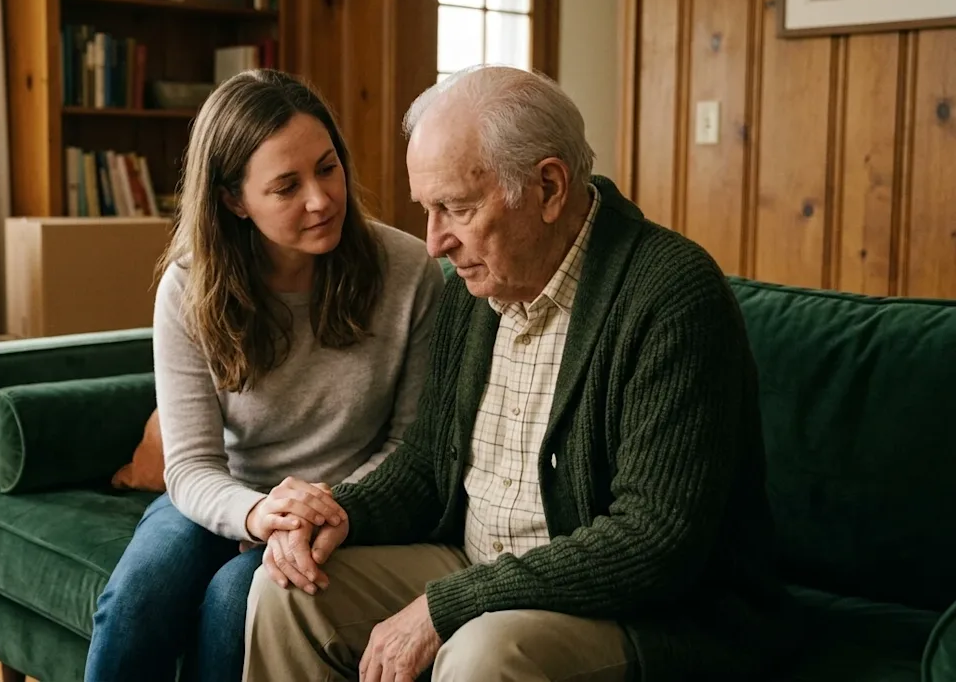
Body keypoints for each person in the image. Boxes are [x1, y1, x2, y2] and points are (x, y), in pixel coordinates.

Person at [241, 65, 796, 682]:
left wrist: (447, 606)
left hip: (646, 610)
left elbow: (653, 540)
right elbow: (429, 465)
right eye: (426, 209)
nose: (433, 243)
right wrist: (338, 512)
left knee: (483, 654)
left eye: (455, 208)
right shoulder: (475, 289)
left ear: (550, 188)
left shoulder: (672, 295)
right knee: (289, 592)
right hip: (478, 564)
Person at [82, 69, 445, 682]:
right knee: (138, 596)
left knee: (235, 600)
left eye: (328, 168)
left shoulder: (408, 272)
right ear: (233, 200)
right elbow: (191, 466)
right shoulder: (189, 287)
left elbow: (410, 446)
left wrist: (317, 511)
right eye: (286, 186)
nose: (321, 199)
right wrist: (259, 514)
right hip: (233, 494)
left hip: (348, 505)